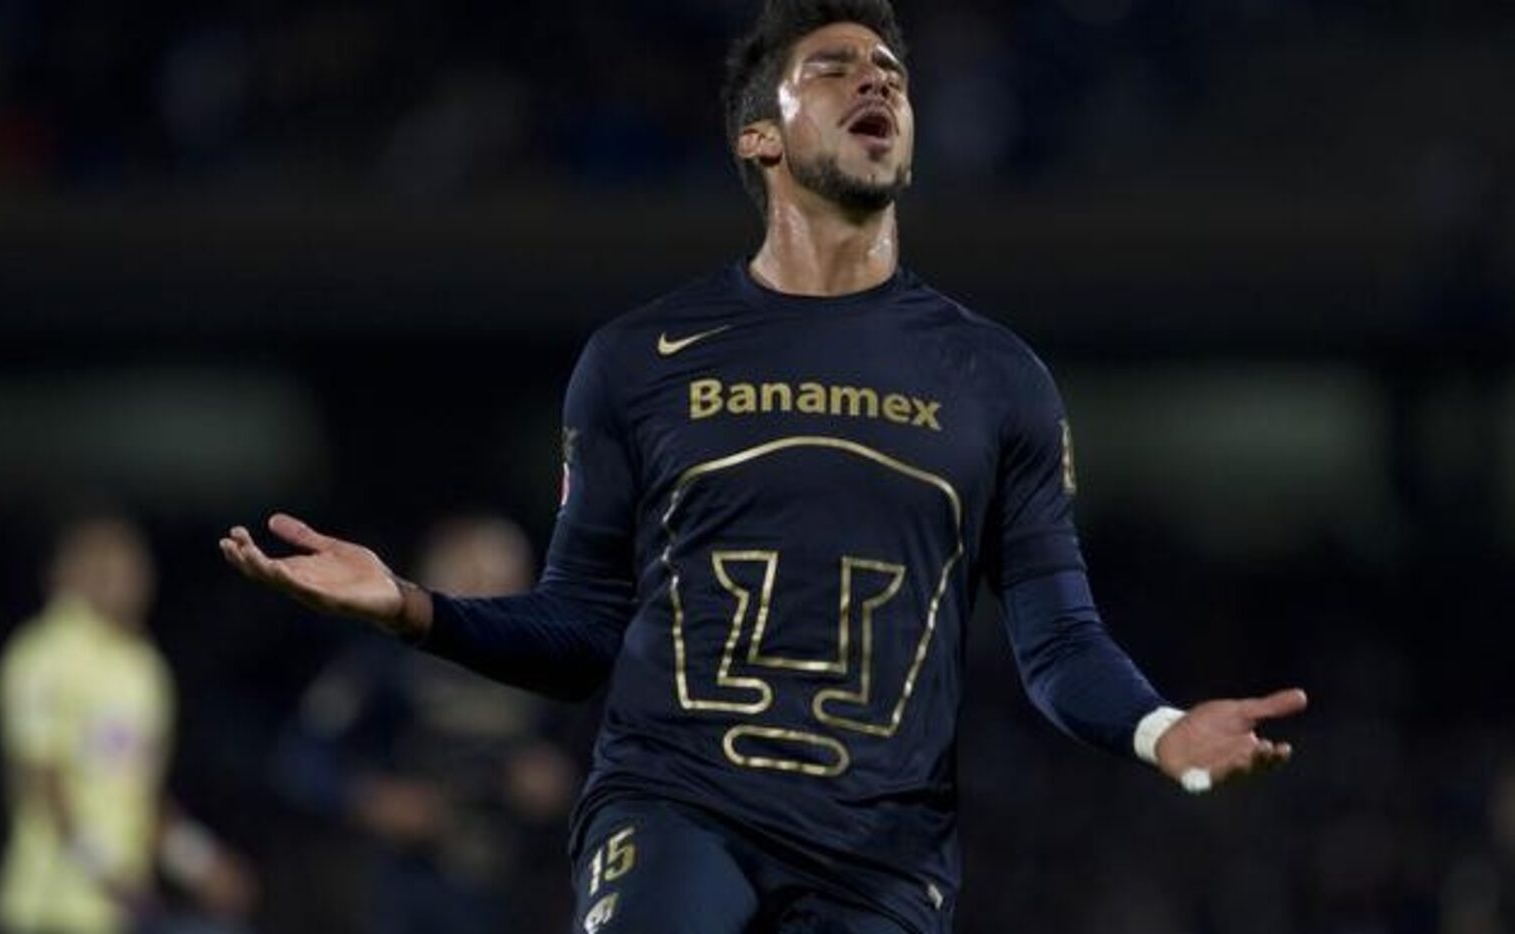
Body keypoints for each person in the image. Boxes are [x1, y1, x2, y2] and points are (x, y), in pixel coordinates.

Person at [219, 2, 1309, 930]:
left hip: (882, 850)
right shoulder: (639, 360)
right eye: (829, 67)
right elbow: (579, 630)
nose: (873, 80)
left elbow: (1056, 637)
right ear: (759, 139)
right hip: (673, 805)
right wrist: (411, 607)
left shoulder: (995, 376)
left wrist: (1159, 729)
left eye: (889, 69)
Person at [270, 516, 576, 934]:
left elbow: (600, 770)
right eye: (474, 581)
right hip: (399, 887)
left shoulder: (550, 673)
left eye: (507, 584)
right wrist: (373, 799)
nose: (490, 597)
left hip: (511, 892)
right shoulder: (386, 663)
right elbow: (298, 760)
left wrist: (558, 786)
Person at [0, 515, 256, 934]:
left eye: (135, 570)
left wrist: (201, 862)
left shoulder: (142, 667)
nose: (128, 582)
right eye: (110, 568)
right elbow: (42, 782)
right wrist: (107, 874)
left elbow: (142, 796)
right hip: (50, 908)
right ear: (74, 572)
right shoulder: (43, 653)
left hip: (120, 912)